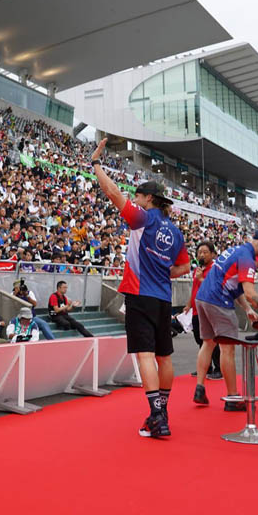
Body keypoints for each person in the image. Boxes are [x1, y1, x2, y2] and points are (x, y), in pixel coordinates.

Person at [91, 137, 189, 438]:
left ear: (148, 198)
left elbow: (111, 191)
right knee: (164, 357)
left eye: (139, 195)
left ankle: (157, 416)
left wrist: (96, 163)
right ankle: (162, 411)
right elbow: (184, 267)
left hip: (139, 294)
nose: (136, 198)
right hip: (162, 297)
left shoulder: (142, 219)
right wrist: (163, 273)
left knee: (145, 355)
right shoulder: (175, 231)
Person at [193, 228, 258, 410]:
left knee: (208, 343)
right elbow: (251, 292)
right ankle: (232, 398)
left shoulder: (236, 250)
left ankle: (200, 387)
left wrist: (247, 308)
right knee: (227, 349)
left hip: (202, 297)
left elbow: (233, 285)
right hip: (219, 301)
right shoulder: (247, 258)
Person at [177, 242, 221, 379]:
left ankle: (219, 368)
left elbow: (214, 289)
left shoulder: (216, 268)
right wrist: (189, 304)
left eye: (205, 252)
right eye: (199, 252)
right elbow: (194, 288)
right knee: (199, 339)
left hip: (210, 309)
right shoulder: (197, 270)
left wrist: (201, 279)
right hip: (197, 310)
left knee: (212, 341)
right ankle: (206, 367)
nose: (201, 254)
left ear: (213, 254)